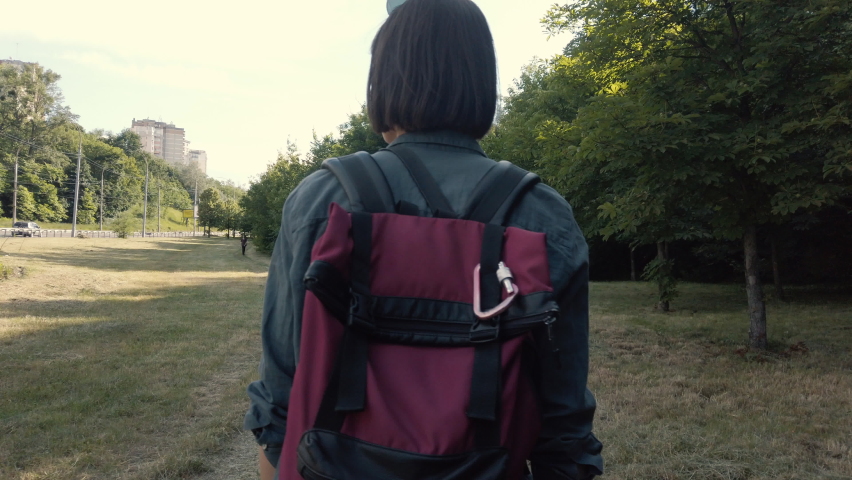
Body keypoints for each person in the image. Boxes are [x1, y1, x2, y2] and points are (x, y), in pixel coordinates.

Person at [244, 0, 603, 478]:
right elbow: (564, 418)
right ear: (482, 81)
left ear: (383, 80)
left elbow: (281, 392)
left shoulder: (324, 198)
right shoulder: (541, 213)